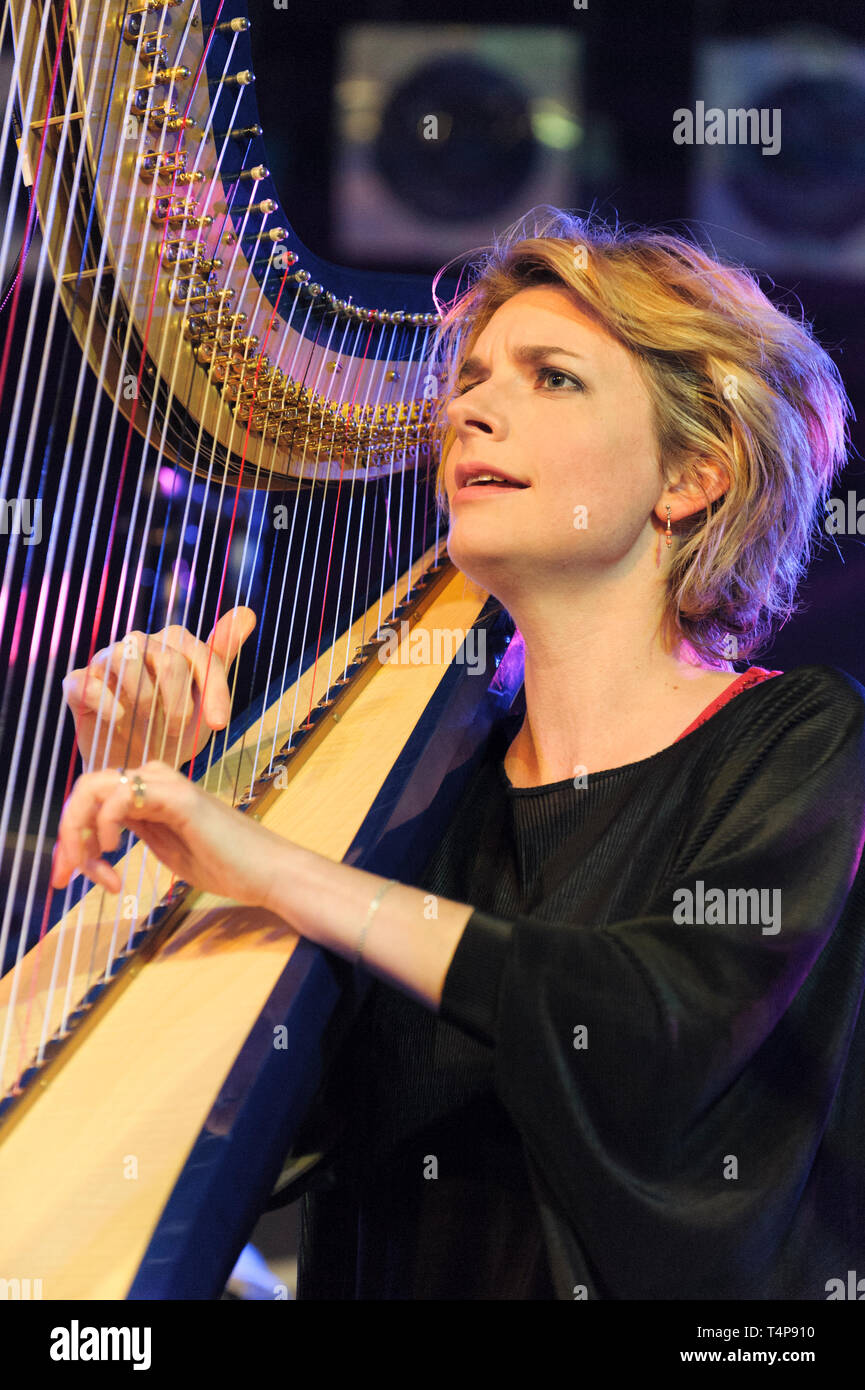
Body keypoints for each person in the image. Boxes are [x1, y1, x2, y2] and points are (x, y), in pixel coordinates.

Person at [54, 208, 865, 1300]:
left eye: (552, 378)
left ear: (692, 477)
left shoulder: (801, 742)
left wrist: (263, 861)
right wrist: (153, 812)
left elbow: (650, 1026)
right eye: (473, 376)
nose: (472, 406)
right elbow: (235, 1146)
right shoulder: (423, 794)